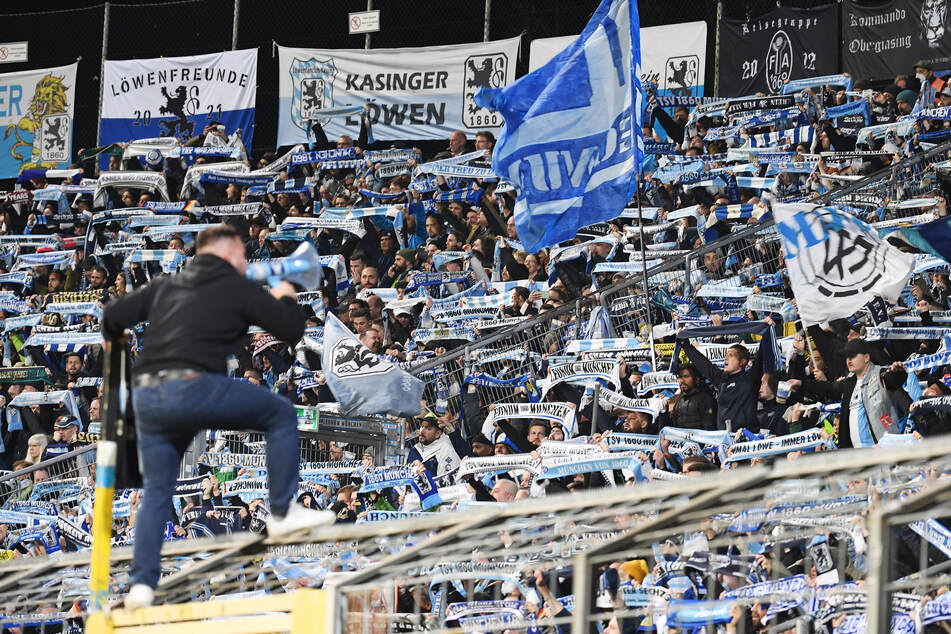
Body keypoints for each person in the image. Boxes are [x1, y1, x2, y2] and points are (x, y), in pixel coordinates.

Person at [102, 224, 334, 609]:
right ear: (226, 254)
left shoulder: (165, 286)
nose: (246, 261)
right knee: (279, 412)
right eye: (242, 253)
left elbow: (112, 315)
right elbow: (291, 329)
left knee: (158, 490)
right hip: (193, 386)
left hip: (149, 399)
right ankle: (280, 511)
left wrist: (118, 343)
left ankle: (142, 586)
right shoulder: (233, 285)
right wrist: (285, 292)